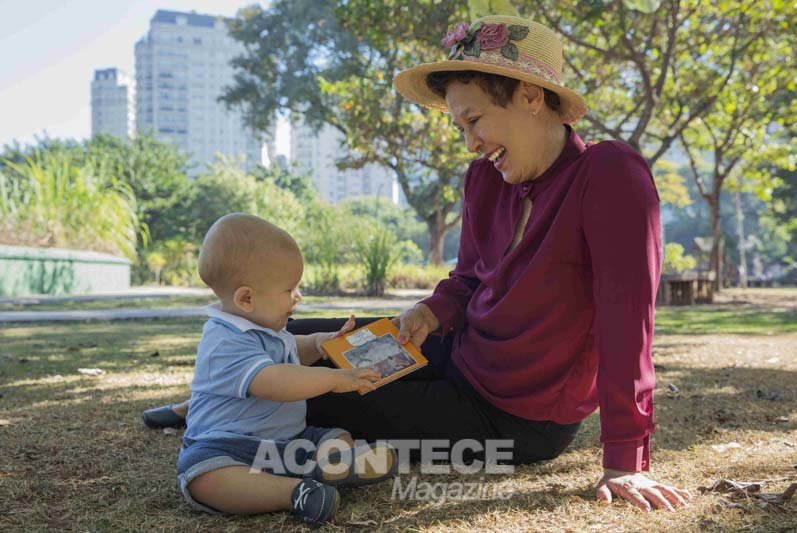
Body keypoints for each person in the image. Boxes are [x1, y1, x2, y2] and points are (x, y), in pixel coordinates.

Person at [146, 13, 691, 513]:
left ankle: (218, 417)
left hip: (515, 418)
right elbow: (467, 281)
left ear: (529, 95)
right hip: (452, 353)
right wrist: (432, 312)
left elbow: (628, 322)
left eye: (475, 120)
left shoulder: (609, 175)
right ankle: (215, 397)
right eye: (460, 127)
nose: (471, 142)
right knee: (289, 333)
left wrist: (626, 458)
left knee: (328, 395)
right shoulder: (484, 180)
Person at [174, 213, 397, 528]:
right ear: (247, 298)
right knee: (202, 475)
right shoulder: (224, 341)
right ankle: (294, 492)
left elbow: (293, 348)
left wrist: (321, 343)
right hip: (227, 445)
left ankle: (329, 464)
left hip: (287, 442)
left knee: (335, 437)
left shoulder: (266, 327)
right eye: (289, 289)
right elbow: (274, 381)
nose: (298, 296)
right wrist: (335, 378)